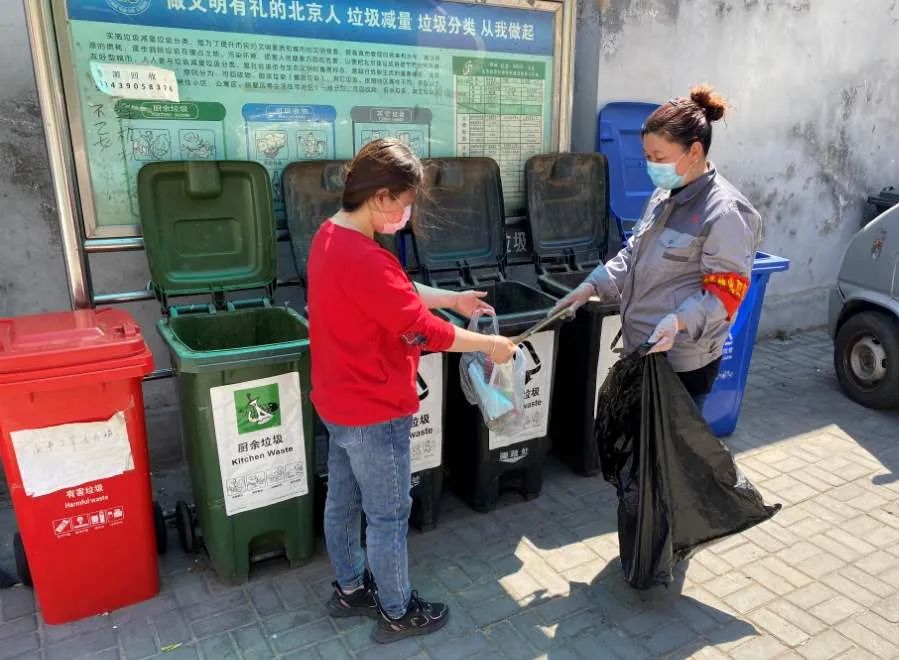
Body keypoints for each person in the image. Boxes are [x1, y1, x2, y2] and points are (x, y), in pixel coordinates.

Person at [306, 138, 518, 644]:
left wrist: (453, 298)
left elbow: (395, 290)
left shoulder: (330, 236)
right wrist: (490, 345)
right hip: (375, 407)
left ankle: (351, 589)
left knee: (342, 502)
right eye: (404, 203)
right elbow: (423, 330)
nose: (406, 215)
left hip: (337, 400)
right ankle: (398, 611)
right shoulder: (364, 256)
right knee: (388, 515)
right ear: (380, 196)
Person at [553, 84, 761, 402]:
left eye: (659, 158)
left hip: (680, 363)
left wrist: (678, 321)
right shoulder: (664, 195)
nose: (652, 166)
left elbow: (726, 293)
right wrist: (591, 286)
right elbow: (634, 253)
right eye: (647, 157)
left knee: (668, 436)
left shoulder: (725, 213)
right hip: (642, 348)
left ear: (694, 152)